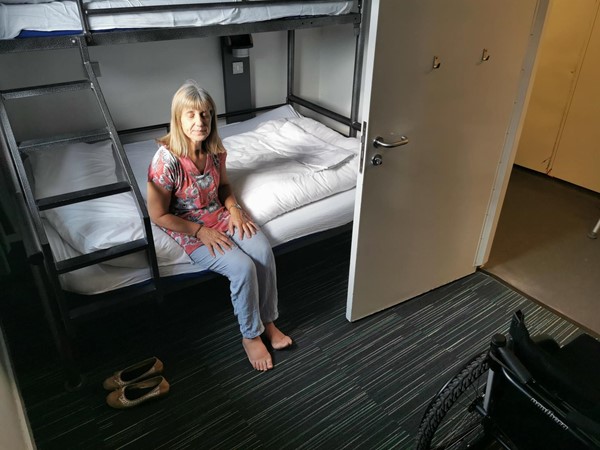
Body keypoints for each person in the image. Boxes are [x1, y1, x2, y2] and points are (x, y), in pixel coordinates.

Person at [147, 80, 292, 371]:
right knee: (241, 267)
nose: (200, 122)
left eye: (206, 114)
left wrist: (234, 209)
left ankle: (268, 321)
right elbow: (158, 215)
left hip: (220, 214)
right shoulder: (166, 161)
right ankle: (250, 334)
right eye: (191, 115)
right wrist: (200, 231)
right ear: (178, 118)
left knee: (263, 253)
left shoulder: (214, 150)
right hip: (188, 226)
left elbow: (224, 185)